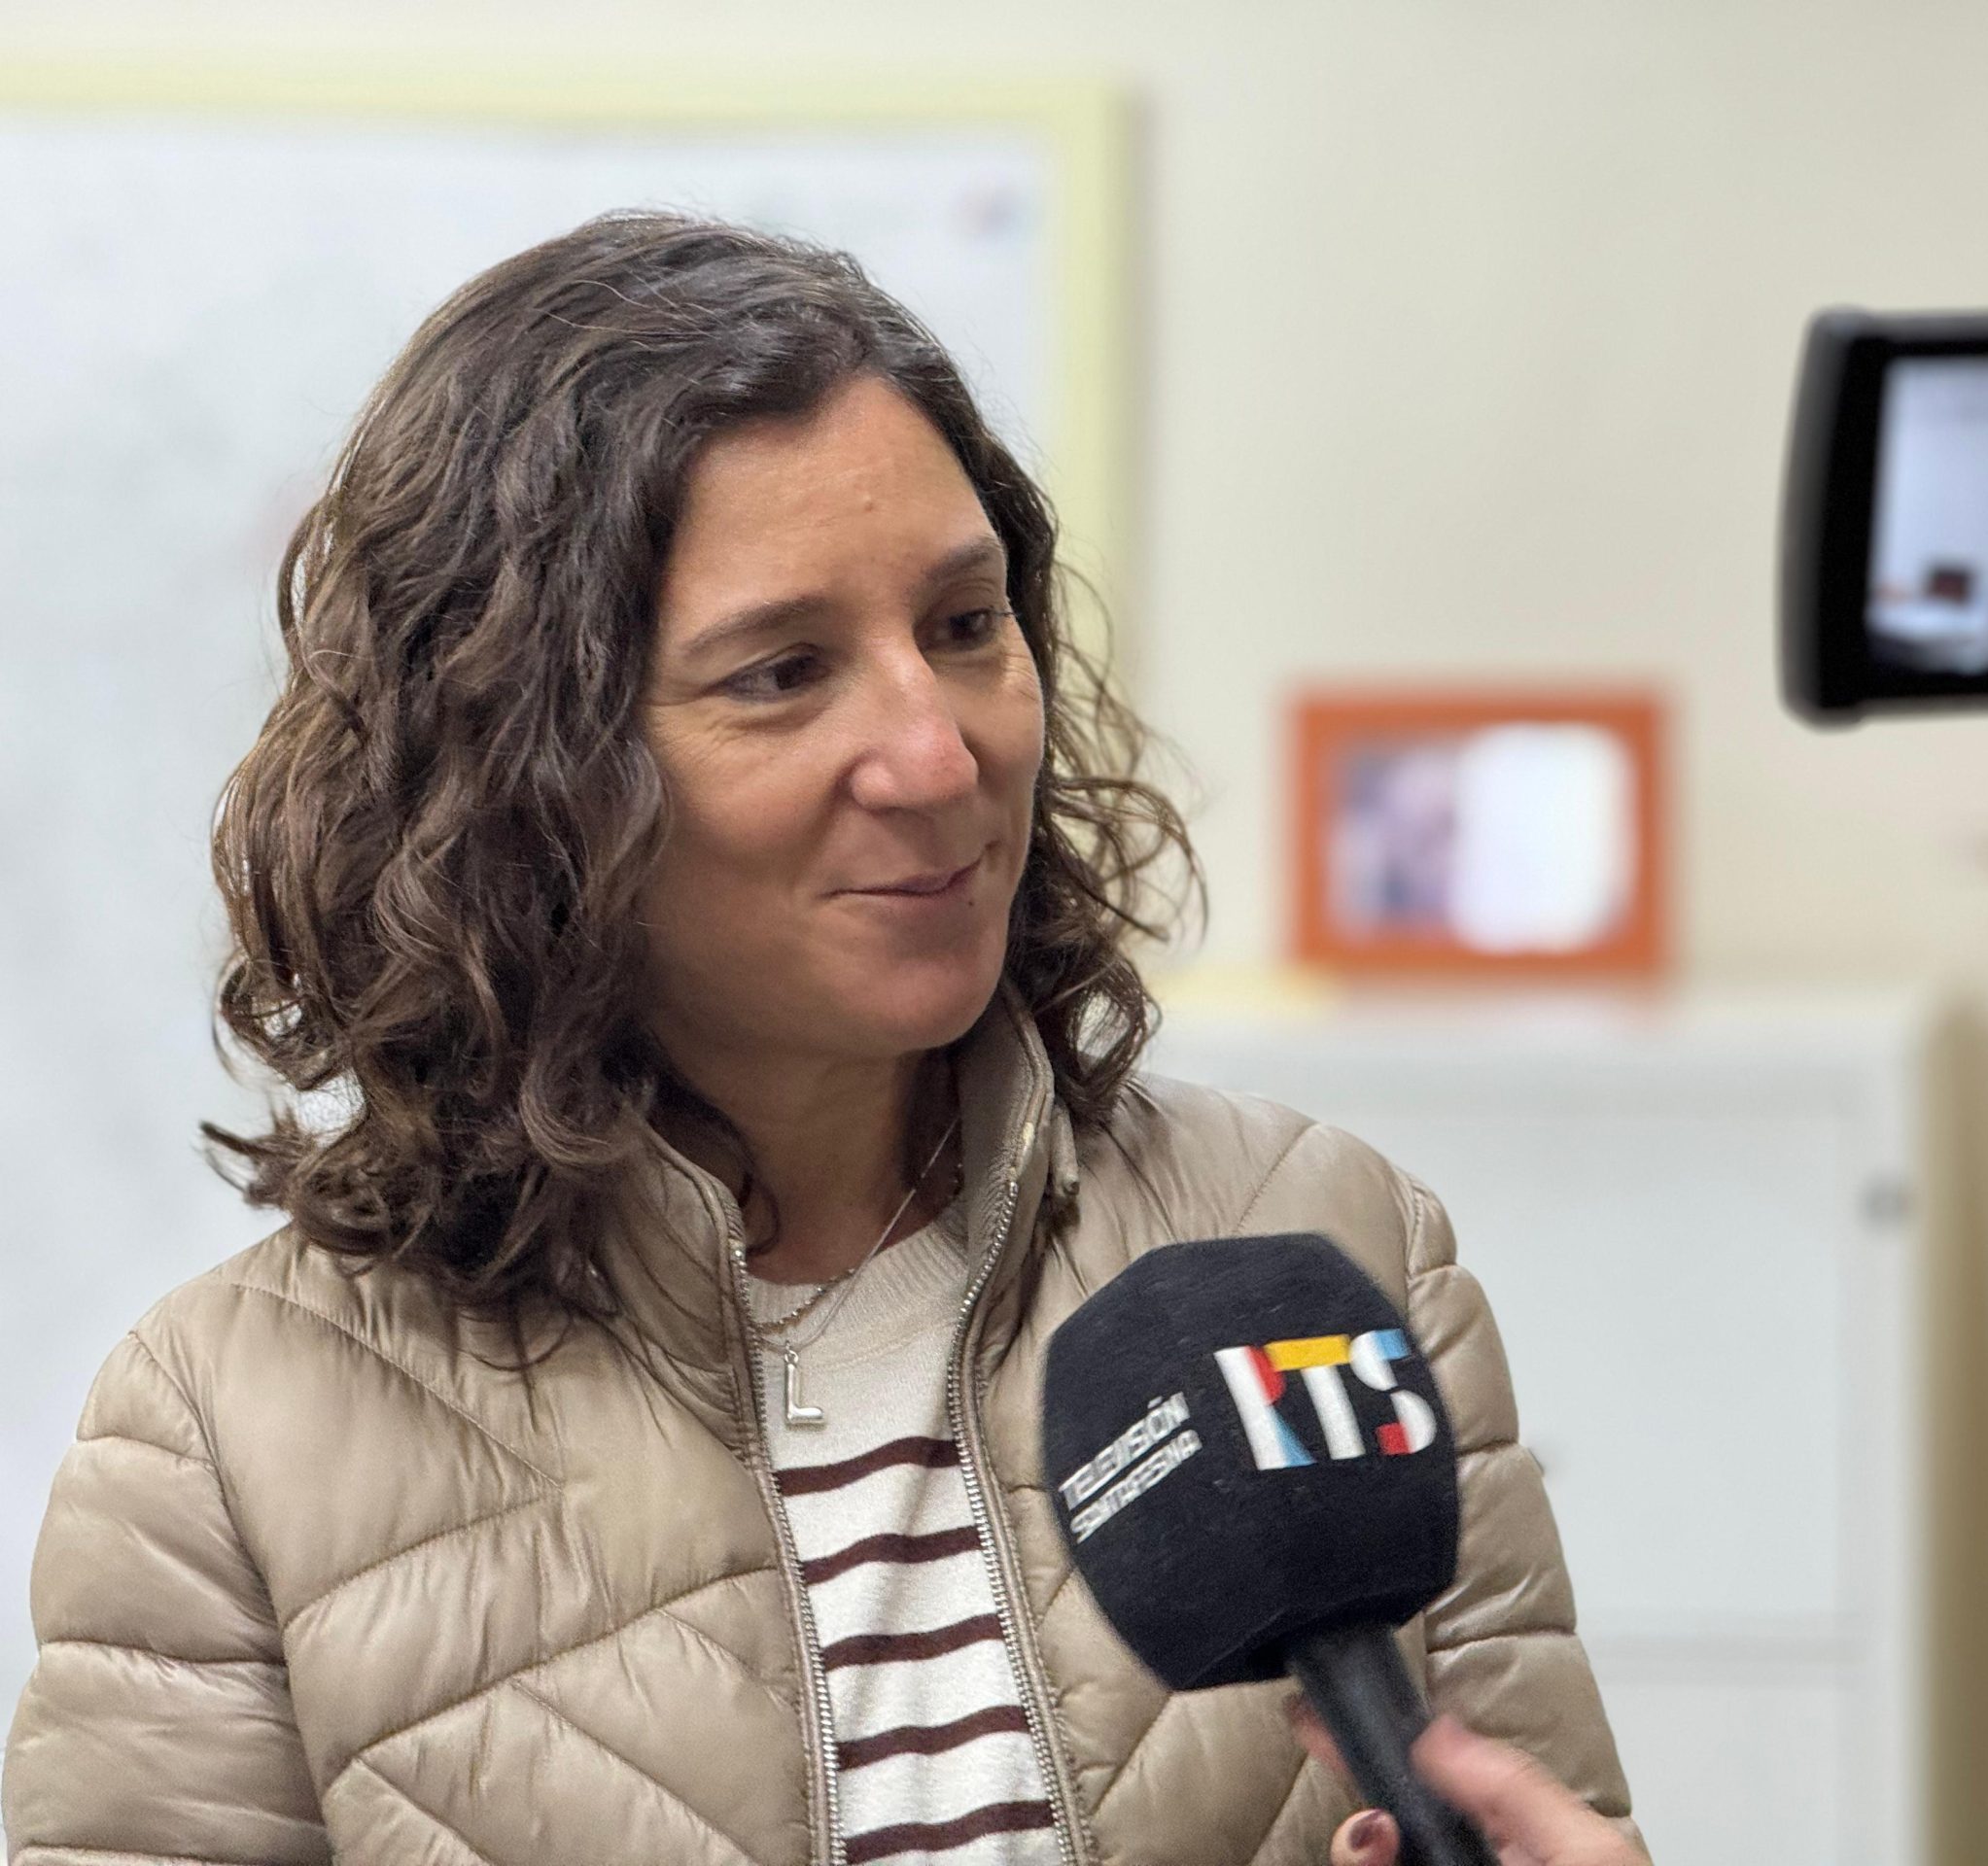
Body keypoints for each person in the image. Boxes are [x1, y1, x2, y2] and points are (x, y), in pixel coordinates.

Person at [2, 214, 1643, 1866]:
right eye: (783, 673)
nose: (938, 756)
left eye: (965, 625)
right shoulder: (228, 1435)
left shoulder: (1325, 1248)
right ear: (520, 778)